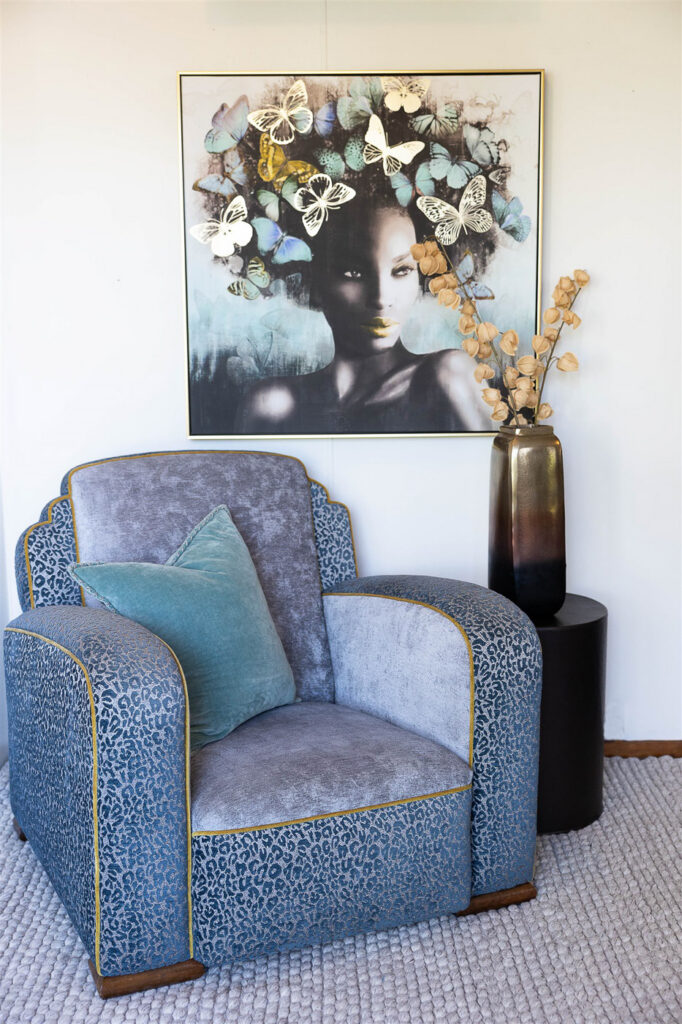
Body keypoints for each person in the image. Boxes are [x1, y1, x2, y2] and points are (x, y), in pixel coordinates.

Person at [235, 196, 489, 435]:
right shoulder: (272, 404)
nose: (381, 299)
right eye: (354, 273)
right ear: (316, 285)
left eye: (402, 270)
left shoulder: (448, 376)